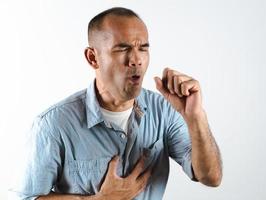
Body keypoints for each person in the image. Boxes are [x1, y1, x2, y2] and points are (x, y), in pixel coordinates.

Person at [11, 7, 222, 200]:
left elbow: (210, 177)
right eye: (122, 49)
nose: (136, 59)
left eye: (143, 48)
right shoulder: (53, 125)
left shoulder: (164, 109)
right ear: (93, 58)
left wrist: (196, 118)